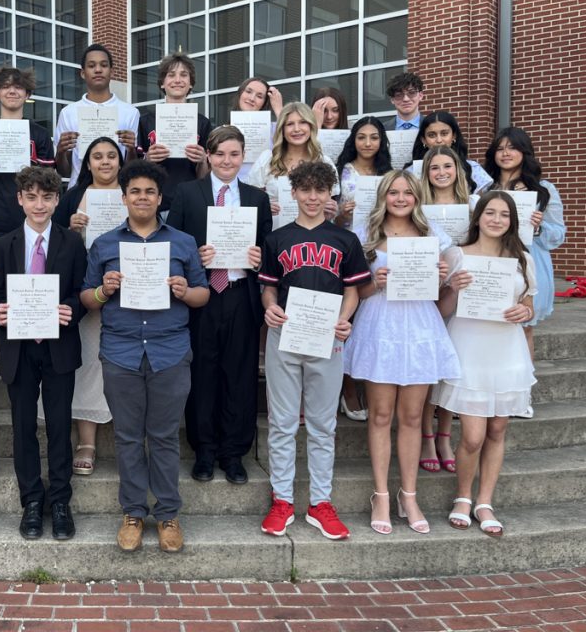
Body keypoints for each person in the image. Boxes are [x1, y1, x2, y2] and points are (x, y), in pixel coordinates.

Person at [80, 160, 209, 553]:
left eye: (149, 192)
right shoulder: (104, 244)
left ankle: (168, 513)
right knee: (128, 436)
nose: (142, 198)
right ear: (123, 198)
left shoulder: (183, 243)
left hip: (170, 351)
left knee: (165, 436)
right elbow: (87, 299)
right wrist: (104, 290)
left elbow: (203, 295)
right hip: (121, 352)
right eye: (134, 191)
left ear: (159, 199)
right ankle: (133, 511)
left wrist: (184, 290)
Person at [344, 170, 461, 535]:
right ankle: (380, 494)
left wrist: (442, 276)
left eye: (407, 192)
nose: (399, 198)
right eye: (393, 192)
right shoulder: (363, 234)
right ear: (383, 196)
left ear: (416, 197)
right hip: (380, 324)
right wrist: (371, 282)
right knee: (380, 415)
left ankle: (408, 495)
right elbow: (352, 289)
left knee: (411, 418)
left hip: (420, 328)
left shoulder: (432, 235)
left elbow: (444, 289)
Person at [259, 161, 371, 540]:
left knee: (323, 424)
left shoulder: (345, 239)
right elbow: (270, 287)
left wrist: (346, 318)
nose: (312, 197)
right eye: (305, 190)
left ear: (330, 195)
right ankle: (282, 499)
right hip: (286, 335)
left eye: (320, 191)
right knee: (283, 422)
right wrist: (269, 306)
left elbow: (353, 290)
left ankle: (320, 502)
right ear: (293, 193)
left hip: (328, 336)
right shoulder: (277, 238)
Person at [166, 125, 272, 484]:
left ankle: (234, 452)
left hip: (241, 294)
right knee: (203, 373)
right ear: (208, 156)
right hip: (202, 297)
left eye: (235, 154)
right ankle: (204, 449)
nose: (227, 161)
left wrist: (259, 258)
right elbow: (174, 248)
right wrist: (195, 256)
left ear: (244, 157)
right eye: (221, 154)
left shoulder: (256, 198)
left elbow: (268, 255)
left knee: (240, 374)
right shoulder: (187, 193)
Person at [0, 166, 87, 541]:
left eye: (46, 197)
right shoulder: (3, 245)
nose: (39, 204)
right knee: (23, 426)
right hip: (19, 349)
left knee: (60, 426)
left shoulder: (72, 243)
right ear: (20, 200)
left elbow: (81, 292)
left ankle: (60, 501)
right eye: (31, 197)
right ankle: (31, 500)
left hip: (59, 346)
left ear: (57, 200)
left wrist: (71, 311)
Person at [434, 191, 537, 537]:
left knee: (497, 430)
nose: (496, 219)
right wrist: (454, 289)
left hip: (505, 350)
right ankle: (462, 496)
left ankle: (484, 501)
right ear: (477, 217)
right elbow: (441, 312)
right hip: (469, 348)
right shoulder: (457, 255)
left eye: (504, 215)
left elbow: (528, 305)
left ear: (512, 221)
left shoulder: (521, 257)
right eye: (490, 213)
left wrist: (525, 311)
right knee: (474, 435)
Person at [52, 136, 121, 474]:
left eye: (111, 155)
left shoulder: (133, 192)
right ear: (87, 162)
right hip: (88, 289)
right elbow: (54, 246)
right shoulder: (73, 197)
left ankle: (130, 439)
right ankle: (87, 441)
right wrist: (70, 229)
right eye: (97, 156)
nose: (105, 162)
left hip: (132, 293)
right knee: (89, 362)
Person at [484, 127, 565, 364]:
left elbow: (558, 235)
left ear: (524, 152)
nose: (505, 153)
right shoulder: (484, 188)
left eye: (512, 147)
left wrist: (539, 228)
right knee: (491, 329)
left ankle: (523, 392)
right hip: (492, 262)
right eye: (500, 148)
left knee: (523, 328)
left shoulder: (543, 189)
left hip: (529, 264)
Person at [333, 116, 393, 423]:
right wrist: (342, 214)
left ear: (381, 141)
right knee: (349, 315)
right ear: (352, 140)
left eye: (373, 137)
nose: (367, 143)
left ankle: (371, 380)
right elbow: (331, 220)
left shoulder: (389, 174)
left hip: (381, 249)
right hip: (349, 248)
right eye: (361, 137)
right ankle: (347, 388)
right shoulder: (341, 172)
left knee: (372, 320)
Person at [418, 145, 472, 473]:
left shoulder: (474, 205)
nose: (441, 172)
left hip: (463, 289)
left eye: (447, 166)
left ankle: (444, 436)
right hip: (429, 289)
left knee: (453, 367)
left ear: (457, 170)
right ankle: (426, 437)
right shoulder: (418, 209)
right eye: (434, 167)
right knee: (430, 367)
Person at [0, 66, 56, 237]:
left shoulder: (40, 134)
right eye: (6, 87)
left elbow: (49, 183)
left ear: (27, 95)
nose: (12, 91)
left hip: (31, 222)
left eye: (19, 87)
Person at [54, 44, 139, 183]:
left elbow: (132, 169)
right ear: (83, 73)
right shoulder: (68, 113)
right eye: (92, 65)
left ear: (111, 71)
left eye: (104, 65)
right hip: (79, 193)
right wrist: (61, 152)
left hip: (117, 194)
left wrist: (131, 150)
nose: (98, 70)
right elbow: (65, 171)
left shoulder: (130, 113)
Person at [137, 53, 211, 212]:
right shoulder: (145, 121)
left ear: (191, 83)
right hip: (155, 201)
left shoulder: (203, 123)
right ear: (162, 83)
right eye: (171, 75)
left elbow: (205, 177)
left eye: (184, 75)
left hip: (191, 202)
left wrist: (202, 161)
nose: (177, 80)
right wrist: (148, 159)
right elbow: (136, 170)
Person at [246, 102, 339, 219]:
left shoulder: (324, 162)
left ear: (311, 126)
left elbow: (328, 211)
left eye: (302, 122)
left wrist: (331, 210)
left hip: (312, 234)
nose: (296, 129)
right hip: (273, 233)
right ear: (282, 130)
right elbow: (250, 201)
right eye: (290, 124)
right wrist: (263, 206)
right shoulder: (267, 159)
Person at [409, 111, 492, 193]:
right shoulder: (411, 172)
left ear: (454, 136)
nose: (439, 140)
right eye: (432, 135)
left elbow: (480, 205)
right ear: (423, 140)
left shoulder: (473, 169)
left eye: (444, 134)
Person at [231, 76, 283, 181]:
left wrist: (279, 109)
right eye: (248, 91)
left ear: (264, 102)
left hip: (265, 188)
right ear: (240, 93)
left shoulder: (274, 128)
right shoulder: (222, 130)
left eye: (259, 96)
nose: (252, 98)